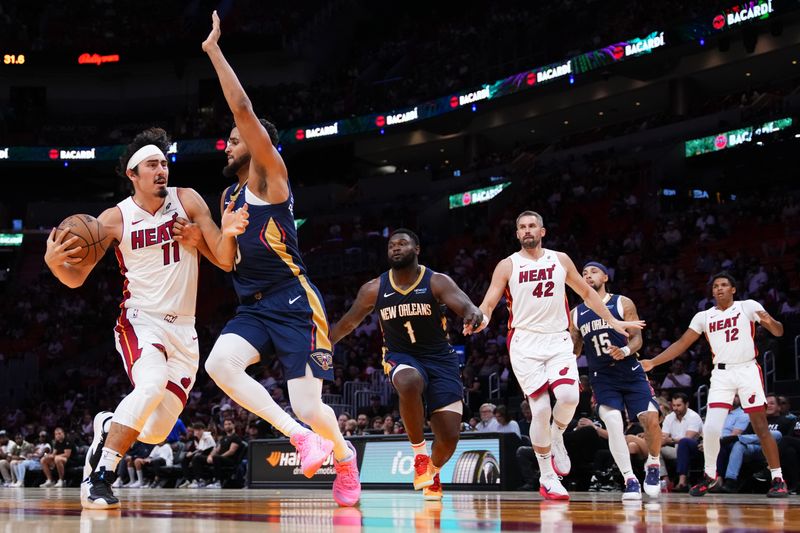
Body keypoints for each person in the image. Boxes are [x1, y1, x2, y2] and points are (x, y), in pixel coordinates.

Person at [190, 11, 360, 507]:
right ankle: (300, 438)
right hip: (252, 305)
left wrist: (214, 52)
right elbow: (226, 263)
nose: (229, 142)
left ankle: (344, 458)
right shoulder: (228, 196)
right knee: (219, 364)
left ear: (261, 146)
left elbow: (242, 107)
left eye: (236, 139)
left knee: (311, 403)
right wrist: (203, 238)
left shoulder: (271, 178)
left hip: (292, 299)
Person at [44, 127, 246, 509]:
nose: (161, 170)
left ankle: (107, 426)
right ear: (133, 175)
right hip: (140, 320)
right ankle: (100, 477)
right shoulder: (114, 218)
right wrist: (54, 265)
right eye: (152, 165)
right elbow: (76, 279)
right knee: (150, 384)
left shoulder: (188, 200)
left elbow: (223, 259)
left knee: (154, 433)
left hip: (184, 331)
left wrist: (202, 239)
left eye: (164, 163)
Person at [471, 211, 644, 500]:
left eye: (532, 226)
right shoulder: (507, 265)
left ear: (542, 232)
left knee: (568, 397)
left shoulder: (560, 259)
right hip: (525, 342)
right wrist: (481, 319)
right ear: (517, 234)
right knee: (539, 409)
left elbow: (588, 295)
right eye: (522, 227)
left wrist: (613, 322)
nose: (527, 231)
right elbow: (489, 303)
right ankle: (548, 476)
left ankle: (556, 435)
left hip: (558, 339)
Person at [330, 228, 482, 501]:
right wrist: (325, 343)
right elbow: (349, 322)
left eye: (402, 244)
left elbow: (466, 306)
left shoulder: (436, 281)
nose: (396, 248)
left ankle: (432, 471)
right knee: (409, 381)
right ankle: (419, 455)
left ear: (417, 249)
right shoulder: (374, 288)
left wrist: (473, 315)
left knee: (448, 437)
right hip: (401, 355)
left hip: (441, 360)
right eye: (391, 245)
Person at [642, 271, 788, 497]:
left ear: (733, 289)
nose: (718, 288)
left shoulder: (747, 306)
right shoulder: (704, 317)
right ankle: (709, 476)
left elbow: (778, 331)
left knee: (760, 427)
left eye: (723, 285)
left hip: (747, 369)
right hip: (721, 374)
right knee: (710, 428)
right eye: (715, 286)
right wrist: (653, 361)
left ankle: (777, 477)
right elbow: (682, 343)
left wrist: (770, 322)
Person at [569, 262, 662, 500]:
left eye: (593, 272)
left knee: (650, 418)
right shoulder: (577, 313)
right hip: (602, 377)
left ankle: (653, 464)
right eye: (584, 273)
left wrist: (626, 351)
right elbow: (575, 349)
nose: (588, 276)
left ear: (606, 276)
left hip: (630, 371)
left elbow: (637, 339)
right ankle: (630, 479)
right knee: (612, 422)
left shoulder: (622, 302)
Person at [659, 393, 703, 491]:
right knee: (655, 448)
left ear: (686, 405)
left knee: (684, 442)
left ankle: (682, 482)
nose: (675, 408)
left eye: (678, 405)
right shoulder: (669, 417)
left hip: (694, 449)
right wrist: (664, 440)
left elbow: (688, 437)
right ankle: (665, 480)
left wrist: (671, 440)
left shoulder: (694, 416)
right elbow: (663, 437)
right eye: (673, 405)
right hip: (675, 448)